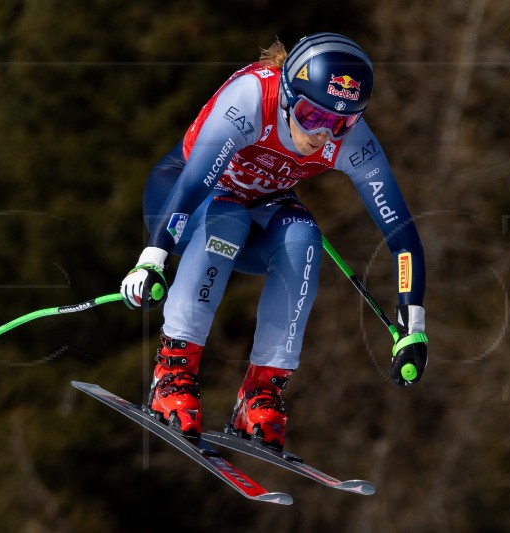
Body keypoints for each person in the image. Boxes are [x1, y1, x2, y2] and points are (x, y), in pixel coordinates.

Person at [120, 33, 427, 450]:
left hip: (258, 208)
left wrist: (413, 328)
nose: (323, 135)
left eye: (341, 123)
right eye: (311, 116)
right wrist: (151, 259)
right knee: (227, 218)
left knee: (304, 238)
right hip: (181, 201)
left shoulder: (349, 139)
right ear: (286, 95)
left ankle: (261, 392)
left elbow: (402, 237)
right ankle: (173, 371)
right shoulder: (251, 99)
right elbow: (192, 186)